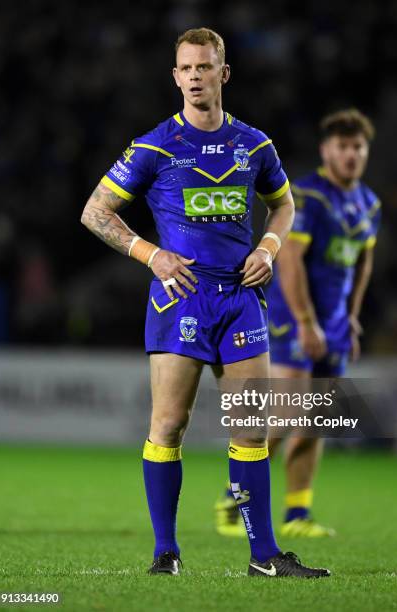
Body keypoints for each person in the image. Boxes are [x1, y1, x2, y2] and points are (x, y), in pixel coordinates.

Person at [81, 27, 330, 579]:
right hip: (181, 299)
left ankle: (264, 557)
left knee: (251, 429)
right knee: (168, 425)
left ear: (224, 73)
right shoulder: (153, 147)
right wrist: (152, 255)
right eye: (186, 69)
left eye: (204, 67)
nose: (195, 77)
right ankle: (165, 553)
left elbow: (284, 206)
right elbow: (95, 212)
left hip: (241, 299)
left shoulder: (255, 145)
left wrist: (269, 245)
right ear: (175, 77)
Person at [215, 108, 380, 538]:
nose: (350, 155)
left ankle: (297, 514)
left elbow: (362, 263)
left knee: (316, 422)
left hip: (336, 325)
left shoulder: (368, 204)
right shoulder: (307, 197)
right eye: (342, 147)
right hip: (294, 322)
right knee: (286, 414)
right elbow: (289, 259)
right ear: (326, 150)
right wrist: (307, 322)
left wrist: (353, 317)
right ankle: (234, 496)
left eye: (357, 147)